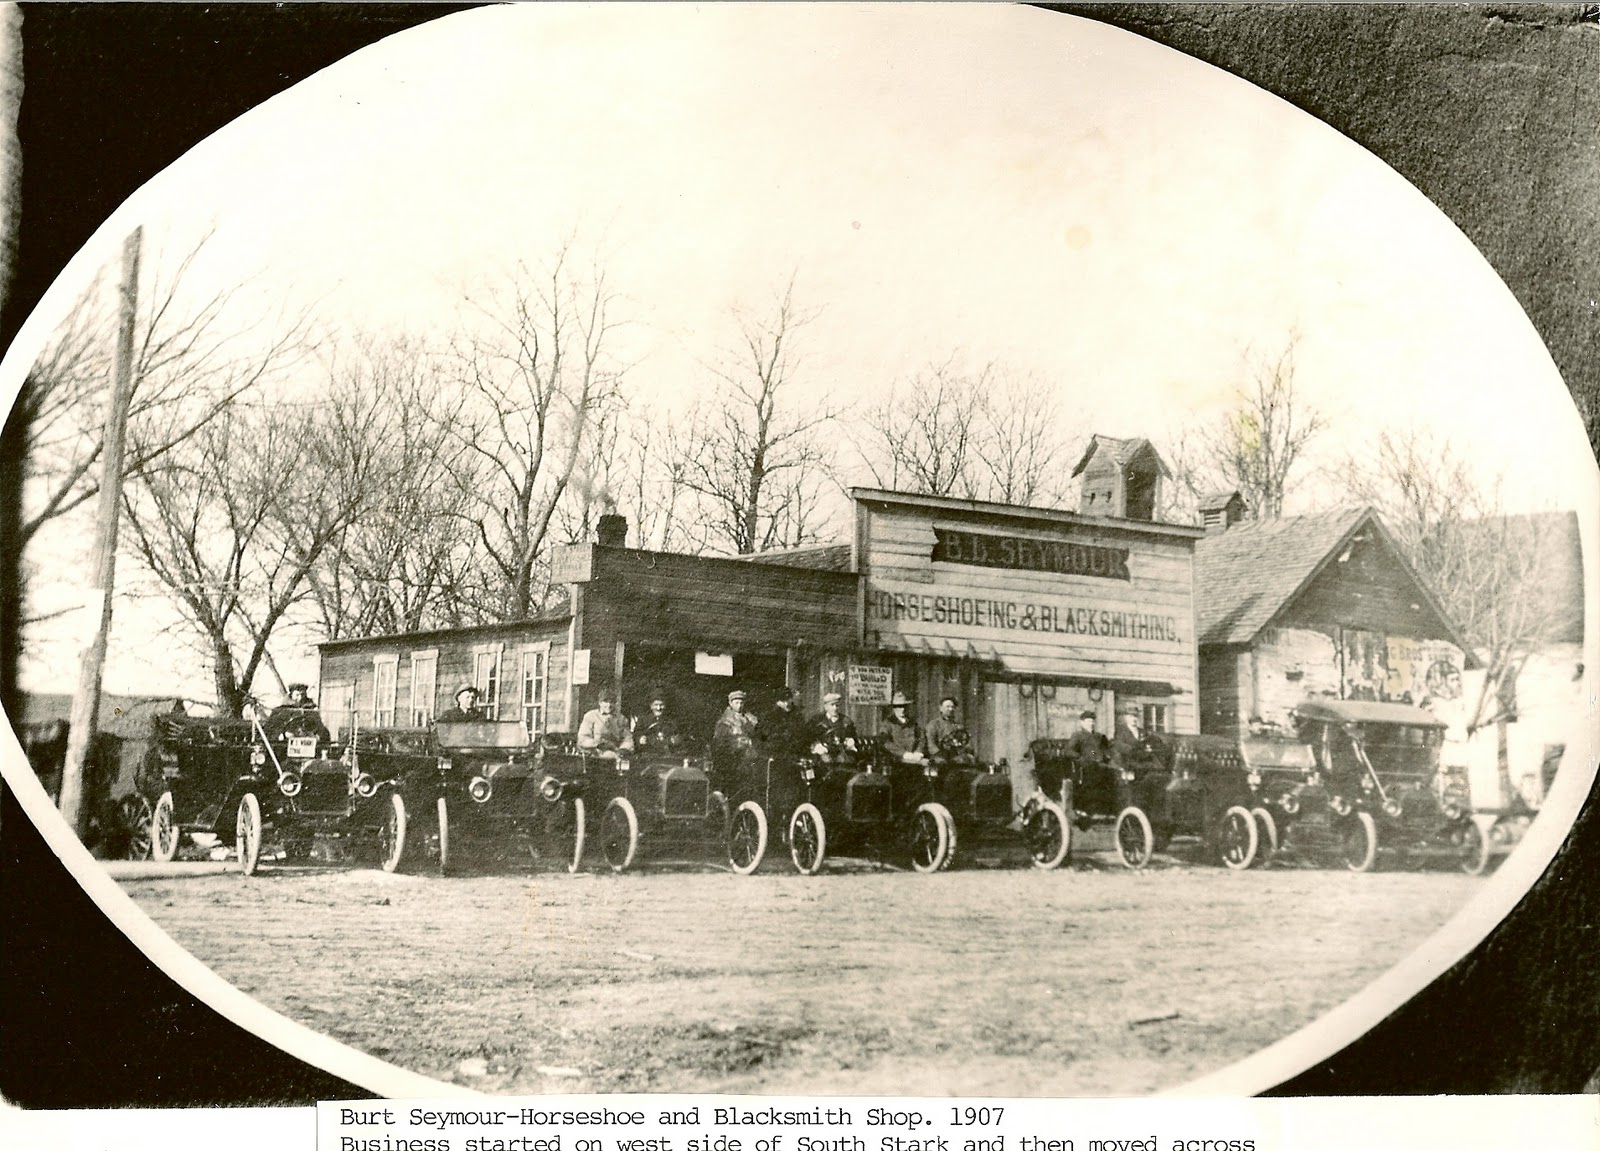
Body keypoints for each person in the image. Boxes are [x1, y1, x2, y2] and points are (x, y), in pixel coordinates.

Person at [1059, 708, 1111, 811]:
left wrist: (1108, 756)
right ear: (1082, 723)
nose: (1091, 724)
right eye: (1088, 721)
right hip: (1086, 766)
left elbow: (1108, 749)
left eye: (1092, 721)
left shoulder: (1099, 736)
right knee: (1092, 776)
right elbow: (1068, 751)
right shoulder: (1077, 735)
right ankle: (1088, 809)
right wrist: (1080, 758)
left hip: (1101, 764)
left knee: (1113, 774)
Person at [711, 689, 759, 786]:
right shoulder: (725, 721)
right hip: (732, 758)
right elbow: (720, 741)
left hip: (748, 758)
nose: (739, 705)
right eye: (736, 703)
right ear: (730, 703)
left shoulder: (750, 719)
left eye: (741, 703)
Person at [263, 682, 331, 744]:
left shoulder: (311, 711)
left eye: (303, 695)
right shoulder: (280, 710)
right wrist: (283, 735)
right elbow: (270, 730)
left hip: (308, 743)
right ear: (291, 695)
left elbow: (319, 727)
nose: (300, 698)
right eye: (297, 695)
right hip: (284, 746)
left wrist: (317, 736)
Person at [805, 691, 859, 764]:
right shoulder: (817, 721)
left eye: (837, 705)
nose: (835, 708)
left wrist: (850, 741)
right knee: (825, 761)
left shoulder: (846, 721)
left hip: (841, 751)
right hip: (822, 752)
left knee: (845, 761)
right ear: (826, 707)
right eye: (832, 705)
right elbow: (809, 737)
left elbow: (852, 736)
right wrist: (816, 746)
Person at [577, 693, 633, 758]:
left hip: (616, 754)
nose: (609, 705)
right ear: (600, 703)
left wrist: (623, 749)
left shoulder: (621, 719)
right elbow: (582, 739)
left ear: (615, 704)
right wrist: (598, 744)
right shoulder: (591, 716)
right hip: (595, 754)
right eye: (605, 701)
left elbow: (627, 738)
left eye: (612, 702)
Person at [759, 685, 807, 761]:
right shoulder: (769, 717)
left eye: (788, 699)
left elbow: (803, 735)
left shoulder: (798, 715)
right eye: (782, 701)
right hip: (776, 756)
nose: (786, 703)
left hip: (795, 756)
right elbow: (761, 738)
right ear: (777, 702)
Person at [881, 691, 927, 765]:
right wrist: (903, 753)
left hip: (914, 757)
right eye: (899, 706)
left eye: (904, 706)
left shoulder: (912, 723)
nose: (902, 709)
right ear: (894, 708)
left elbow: (921, 738)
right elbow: (886, 742)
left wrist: (919, 752)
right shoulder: (888, 723)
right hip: (896, 759)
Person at [924, 696, 969, 762]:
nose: (950, 709)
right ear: (941, 708)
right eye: (947, 707)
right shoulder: (933, 724)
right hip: (939, 757)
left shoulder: (958, 726)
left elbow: (965, 741)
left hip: (955, 757)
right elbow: (930, 744)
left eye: (953, 707)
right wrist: (939, 755)